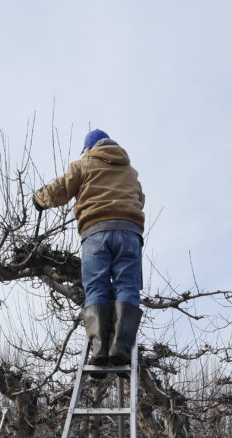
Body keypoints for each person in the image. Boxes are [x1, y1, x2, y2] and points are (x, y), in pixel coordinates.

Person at [33, 129, 145, 367]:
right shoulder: (130, 171)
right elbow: (139, 198)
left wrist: (39, 199)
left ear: (89, 148)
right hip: (130, 231)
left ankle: (100, 349)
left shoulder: (84, 164)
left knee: (96, 287)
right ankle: (121, 348)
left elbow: (61, 188)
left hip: (96, 232)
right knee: (127, 286)